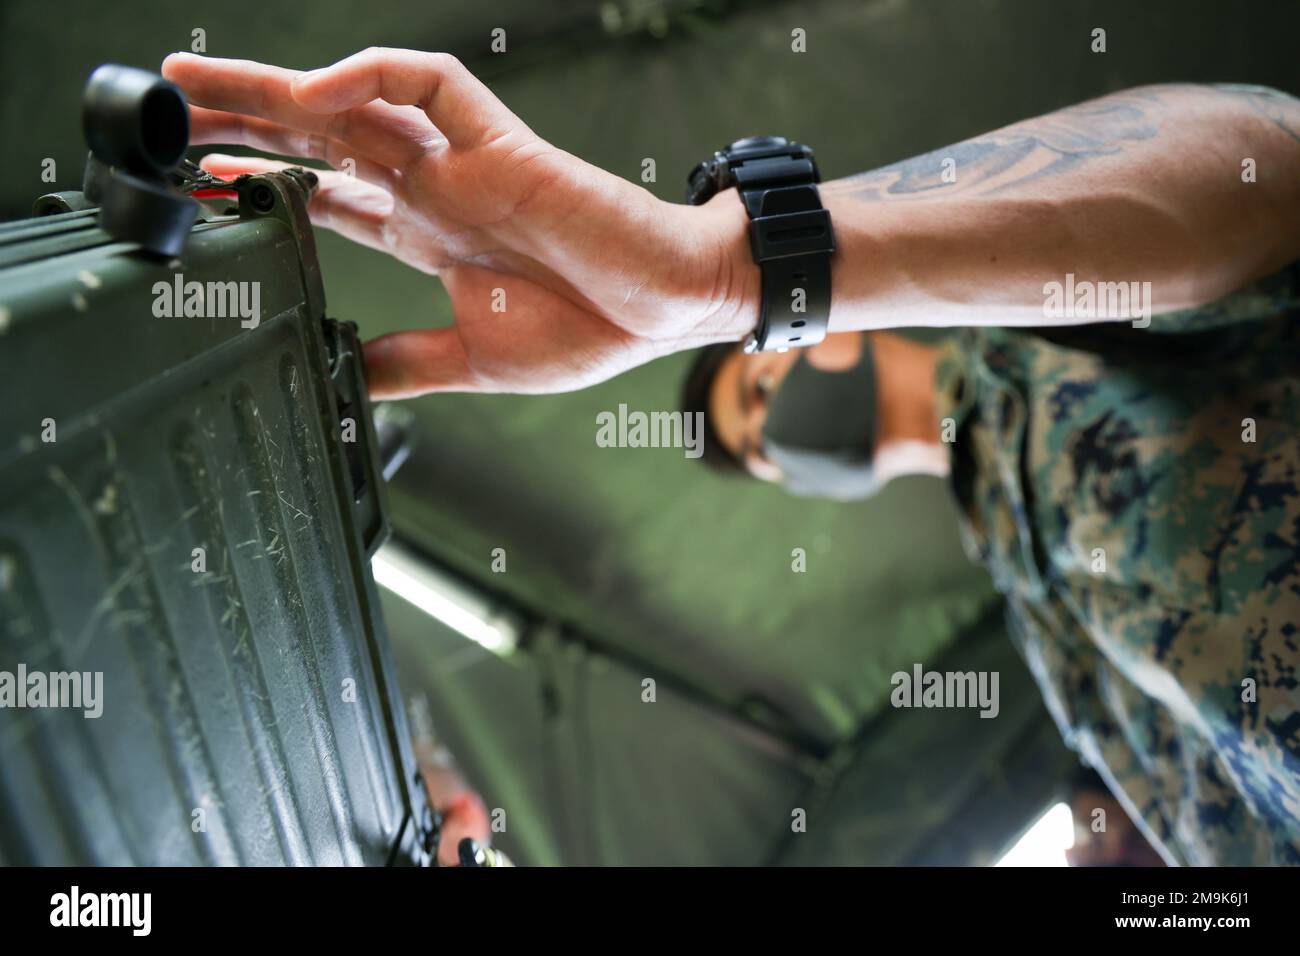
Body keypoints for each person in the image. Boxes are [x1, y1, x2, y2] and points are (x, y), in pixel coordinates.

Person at [160, 48, 1300, 864]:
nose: (776, 431)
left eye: (760, 389)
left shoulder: (1049, 326)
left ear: (827, 334)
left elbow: (1267, 162)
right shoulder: (1020, 590)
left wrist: (732, 269)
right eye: (764, 452)